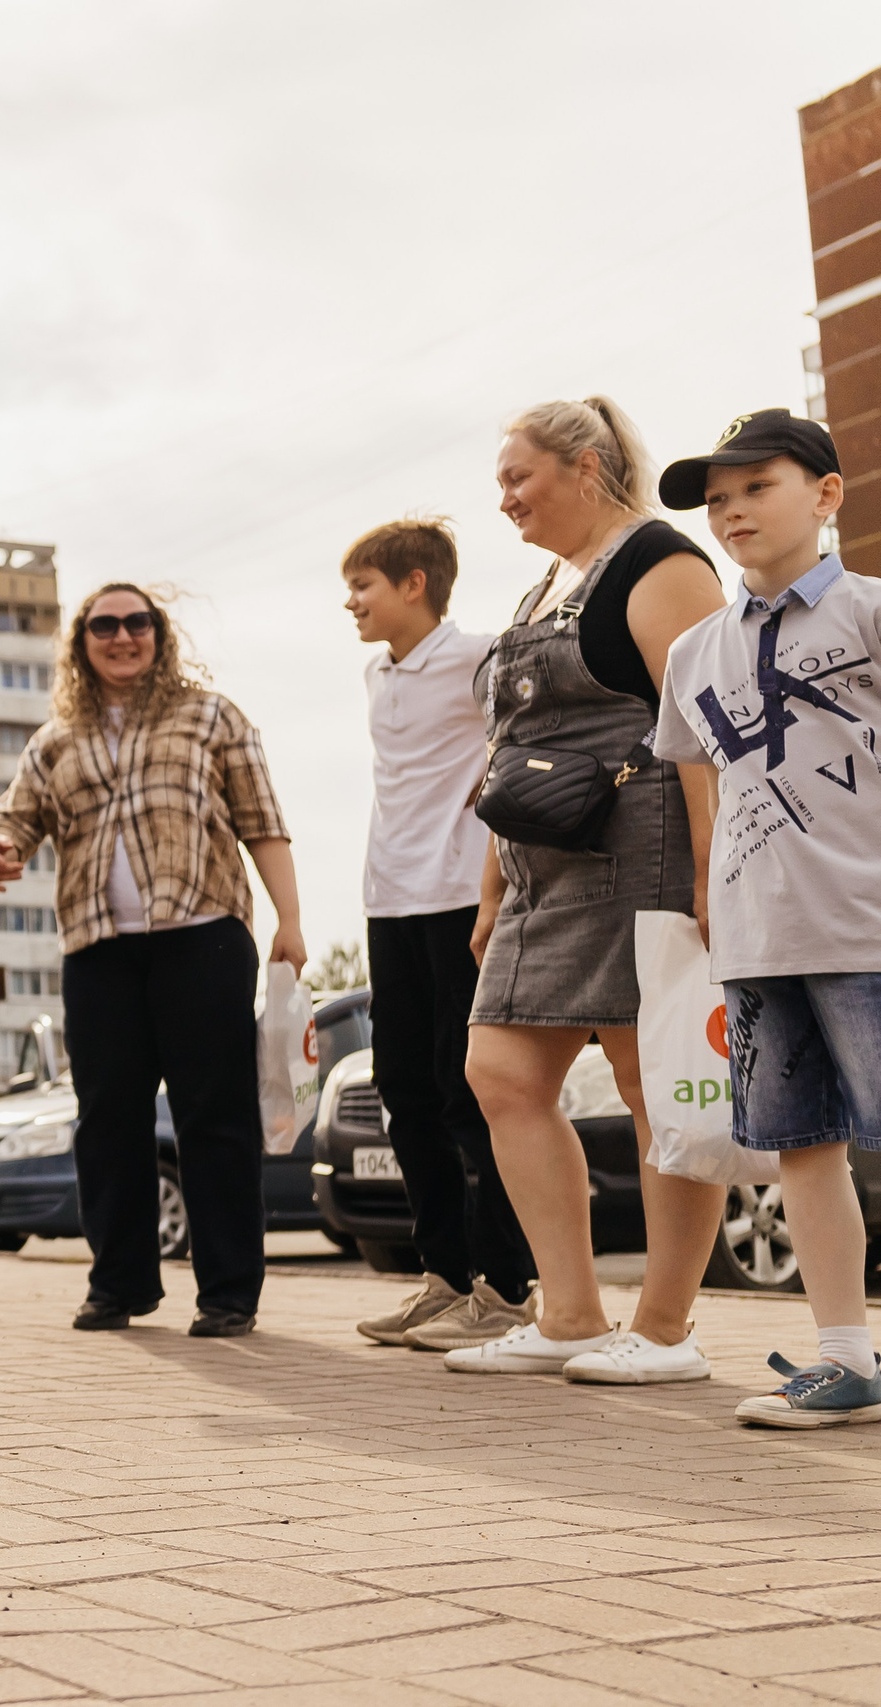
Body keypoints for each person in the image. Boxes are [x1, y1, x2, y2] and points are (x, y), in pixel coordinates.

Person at [448, 397, 727, 1383]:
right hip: (540, 867)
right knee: (500, 1073)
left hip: (642, 847)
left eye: (517, 476)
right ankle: (567, 1314)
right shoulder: (541, 591)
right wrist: (490, 890)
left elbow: (707, 731)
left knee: (656, 1085)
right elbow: (510, 750)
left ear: (586, 466)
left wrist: (713, 868)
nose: (505, 499)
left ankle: (665, 1329)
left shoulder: (661, 563)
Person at [0, 583, 304, 1339]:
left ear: (159, 634)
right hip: (99, 949)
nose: (122, 636)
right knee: (107, 1118)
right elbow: (12, 818)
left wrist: (289, 919)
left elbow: (262, 821)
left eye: (137, 622)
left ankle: (228, 1292)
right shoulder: (56, 740)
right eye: (104, 625)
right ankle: (118, 1282)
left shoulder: (212, 716)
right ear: (81, 642)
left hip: (204, 935)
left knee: (214, 1115)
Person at [646, 411, 881, 1425]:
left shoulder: (869, 612)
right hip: (758, 937)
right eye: (716, 499)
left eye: (757, 486)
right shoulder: (692, 653)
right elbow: (701, 786)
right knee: (802, 1147)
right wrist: (709, 899)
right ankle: (846, 1359)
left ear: (826, 495)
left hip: (868, 923)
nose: (732, 510)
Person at [337, 520, 536, 1351]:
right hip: (389, 902)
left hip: (461, 899)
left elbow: (524, 741)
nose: (351, 602)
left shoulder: (481, 656)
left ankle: (506, 1288)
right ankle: (446, 1278)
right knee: (404, 1091)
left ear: (414, 583)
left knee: (469, 1094)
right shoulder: (375, 672)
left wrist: (497, 884)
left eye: (363, 586)